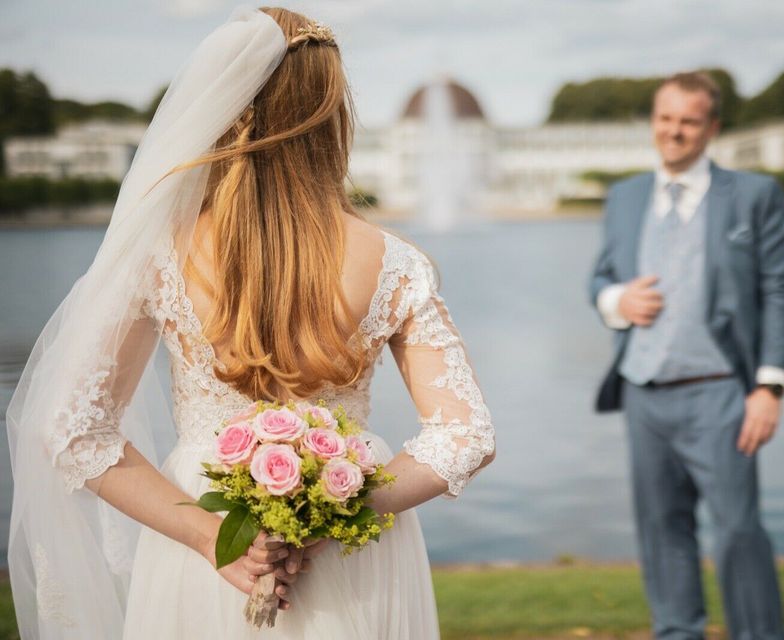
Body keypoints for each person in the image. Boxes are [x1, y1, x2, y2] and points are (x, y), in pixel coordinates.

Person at [5, 7, 495, 639]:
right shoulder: (395, 262)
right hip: (354, 552)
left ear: (225, 107)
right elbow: (466, 435)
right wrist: (340, 509)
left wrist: (210, 537)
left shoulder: (161, 254)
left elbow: (74, 429)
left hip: (204, 539)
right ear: (332, 114)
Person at [589, 71, 784, 640]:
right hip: (643, 392)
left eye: (688, 121)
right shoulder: (625, 196)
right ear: (653, 121)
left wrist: (769, 386)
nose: (674, 132)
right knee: (661, 530)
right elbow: (600, 277)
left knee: (738, 531)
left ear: (712, 127)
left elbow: (778, 292)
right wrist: (616, 299)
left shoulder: (754, 195)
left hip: (723, 391)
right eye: (665, 118)